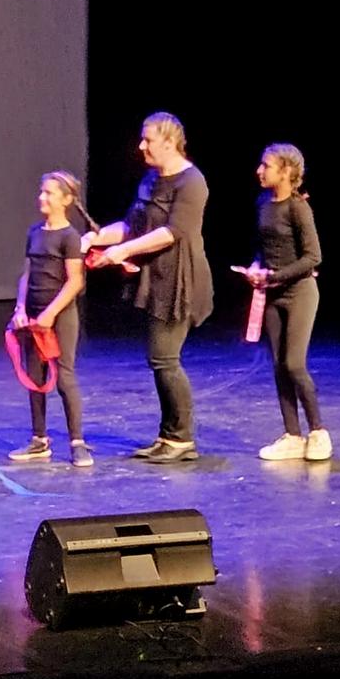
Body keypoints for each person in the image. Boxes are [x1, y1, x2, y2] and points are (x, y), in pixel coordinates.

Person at [84, 112, 213, 463]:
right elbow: (133, 225)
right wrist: (97, 238)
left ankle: (182, 438)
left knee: (165, 358)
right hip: (157, 278)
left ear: (169, 142)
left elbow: (171, 233)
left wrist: (123, 251)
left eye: (148, 140)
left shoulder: (192, 182)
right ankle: (168, 436)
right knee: (159, 360)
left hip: (180, 279)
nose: (141, 146)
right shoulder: (151, 179)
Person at [242, 144, 330, 462]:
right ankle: (293, 435)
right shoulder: (263, 203)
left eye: (266, 166)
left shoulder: (298, 208)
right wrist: (256, 267)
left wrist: (276, 276)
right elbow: (262, 247)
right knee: (279, 366)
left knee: (294, 363)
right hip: (272, 295)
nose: (259, 171)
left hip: (300, 293)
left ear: (286, 171)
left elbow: (313, 257)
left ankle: (318, 432)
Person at [7, 171, 91, 467]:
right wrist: (20, 309)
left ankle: (77, 442)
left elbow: (75, 281)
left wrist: (50, 314)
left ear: (66, 200)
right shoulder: (35, 232)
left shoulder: (70, 237)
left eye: (49, 193)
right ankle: (39, 439)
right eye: (41, 191)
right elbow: (27, 274)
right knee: (35, 377)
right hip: (33, 315)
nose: (41, 197)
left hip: (60, 316)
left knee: (64, 376)